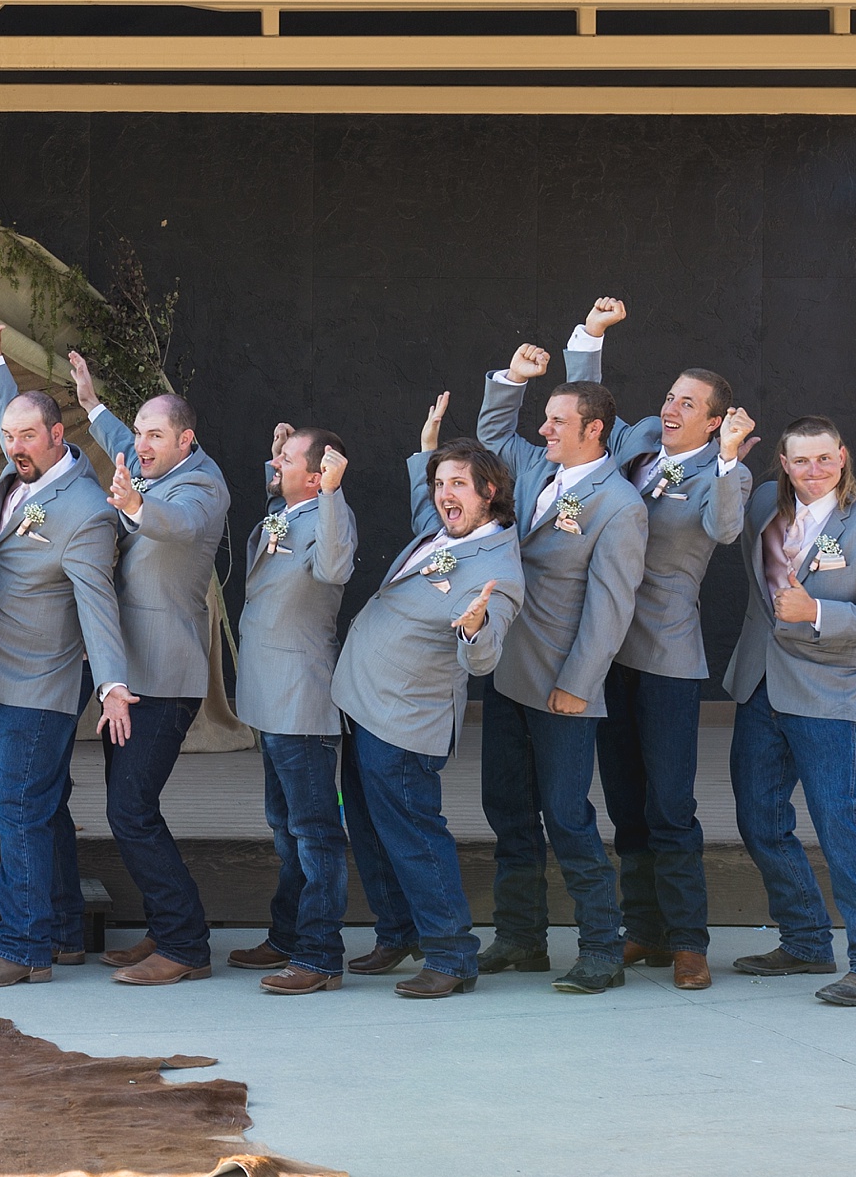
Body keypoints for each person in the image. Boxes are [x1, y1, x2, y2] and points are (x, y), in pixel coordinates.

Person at [561, 297, 755, 991]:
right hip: (604, 649)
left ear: (714, 421)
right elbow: (586, 407)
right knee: (623, 799)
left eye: (688, 403)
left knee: (670, 805)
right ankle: (643, 926)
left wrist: (730, 461)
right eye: (671, 396)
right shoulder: (639, 438)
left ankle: (690, 942)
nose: (671, 408)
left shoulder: (722, 475)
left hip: (668, 657)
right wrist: (591, 336)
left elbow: (727, 531)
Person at [0, 298, 131, 988]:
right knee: (45, 806)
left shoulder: (85, 513)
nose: (15, 447)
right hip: (7, 676)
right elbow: (12, 416)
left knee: (18, 812)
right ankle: (61, 931)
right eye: (9, 436)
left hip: (39, 683)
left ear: (60, 436)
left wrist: (112, 683)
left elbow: (99, 606)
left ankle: (22, 948)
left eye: (29, 436)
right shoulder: (29, 469)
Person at [473, 341, 648, 994]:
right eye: (542, 418)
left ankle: (602, 948)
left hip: (563, 687)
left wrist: (578, 686)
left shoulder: (620, 506)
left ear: (593, 429)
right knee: (507, 808)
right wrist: (510, 379)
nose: (541, 430)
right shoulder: (530, 467)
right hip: (508, 670)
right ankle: (522, 938)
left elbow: (609, 610)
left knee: (567, 815)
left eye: (555, 421)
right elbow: (495, 433)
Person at [725, 417, 856, 1006]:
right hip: (761, 684)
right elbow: (721, 524)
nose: (814, 472)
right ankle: (805, 939)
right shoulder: (761, 504)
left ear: (843, 457)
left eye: (825, 460)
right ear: (783, 462)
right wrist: (726, 459)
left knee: (838, 824)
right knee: (758, 820)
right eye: (802, 461)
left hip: (828, 693)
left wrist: (820, 614)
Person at [332, 431, 525, 999]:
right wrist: (427, 450)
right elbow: (432, 503)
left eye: (458, 485)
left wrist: (473, 628)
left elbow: (485, 656)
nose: (444, 495)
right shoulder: (444, 528)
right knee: (368, 829)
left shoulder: (500, 573)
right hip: (362, 705)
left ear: (489, 492)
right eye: (439, 485)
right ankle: (398, 931)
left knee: (415, 837)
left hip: (405, 722)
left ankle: (451, 955)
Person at [69, 351, 231, 987]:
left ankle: (186, 945)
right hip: (128, 679)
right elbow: (123, 445)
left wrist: (136, 504)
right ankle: (167, 929)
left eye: (153, 435)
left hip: (165, 679)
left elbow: (176, 523)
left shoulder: (202, 486)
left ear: (185, 440)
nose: (139, 446)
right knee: (125, 808)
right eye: (137, 434)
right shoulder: (154, 461)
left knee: (132, 812)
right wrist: (91, 405)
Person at [225, 422, 354, 992]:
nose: (275, 467)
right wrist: (278, 455)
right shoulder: (291, 512)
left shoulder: (330, 515)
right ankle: (287, 934)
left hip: (301, 700)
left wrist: (330, 492)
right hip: (270, 697)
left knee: (314, 831)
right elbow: (275, 514)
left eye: (287, 461)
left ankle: (320, 955)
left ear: (321, 472)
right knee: (284, 827)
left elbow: (331, 568)